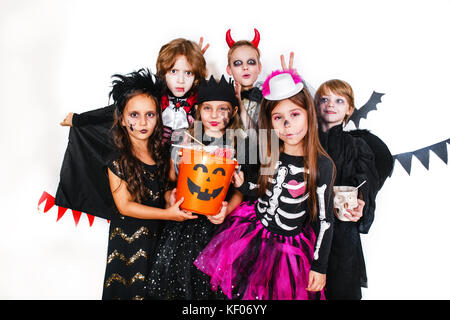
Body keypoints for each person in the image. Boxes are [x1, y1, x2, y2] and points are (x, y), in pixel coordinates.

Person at [194, 69, 336, 300]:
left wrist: (319, 266)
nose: (288, 125)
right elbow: (263, 192)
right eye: (278, 118)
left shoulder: (321, 165)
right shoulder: (271, 152)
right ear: (270, 122)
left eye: (295, 114)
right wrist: (241, 185)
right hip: (252, 233)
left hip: (288, 250)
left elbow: (325, 220)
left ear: (309, 113)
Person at [55, 38, 208, 219]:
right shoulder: (152, 99)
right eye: (173, 71)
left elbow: (221, 112)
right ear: (163, 73)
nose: (180, 80)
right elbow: (117, 109)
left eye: (188, 73)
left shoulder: (199, 102)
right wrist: (80, 119)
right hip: (152, 166)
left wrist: (195, 59)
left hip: (184, 173)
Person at [145, 75, 248, 300]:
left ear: (232, 112)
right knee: (180, 279)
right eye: (208, 108)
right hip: (185, 224)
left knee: (212, 285)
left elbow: (240, 191)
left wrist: (227, 209)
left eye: (223, 109)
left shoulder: (238, 146)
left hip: (218, 227)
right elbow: (171, 182)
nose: (214, 115)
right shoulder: (184, 142)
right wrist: (170, 197)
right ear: (198, 110)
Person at [101, 68, 197, 299]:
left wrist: (170, 199)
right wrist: (169, 215)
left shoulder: (160, 154)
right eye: (134, 115)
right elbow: (125, 206)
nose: (143, 121)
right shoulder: (117, 160)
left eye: (150, 114)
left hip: (157, 241)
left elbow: (160, 191)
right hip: (127, 243)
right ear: (122, 119)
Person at [314, 79, 393, 300]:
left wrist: (361, 202)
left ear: (349, 109)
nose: (331, 104)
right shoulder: (305, 140)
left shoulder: (357, 145)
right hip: (307, 231)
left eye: (339, 100)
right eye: (324, 99)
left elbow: (366, 183)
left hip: (341, 235)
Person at [225, 28, 263, 130]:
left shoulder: (266, 100)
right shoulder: (224, 98)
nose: (245, 67)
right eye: (238, 63)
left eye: (251, 62)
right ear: (229, 70)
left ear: (259, 68)